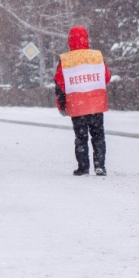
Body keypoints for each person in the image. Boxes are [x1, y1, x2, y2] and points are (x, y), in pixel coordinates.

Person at [54, 25, 111, 176]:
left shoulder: (65, 60)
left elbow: (60, 84)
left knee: (81, 137)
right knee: (98, 136)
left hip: (76, 106)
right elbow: (106, 77)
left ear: (69, 41)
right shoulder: (96, 56)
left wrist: (61, 105)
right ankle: (100, 166)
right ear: (87, 38)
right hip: (96, 104)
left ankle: (83, 167)